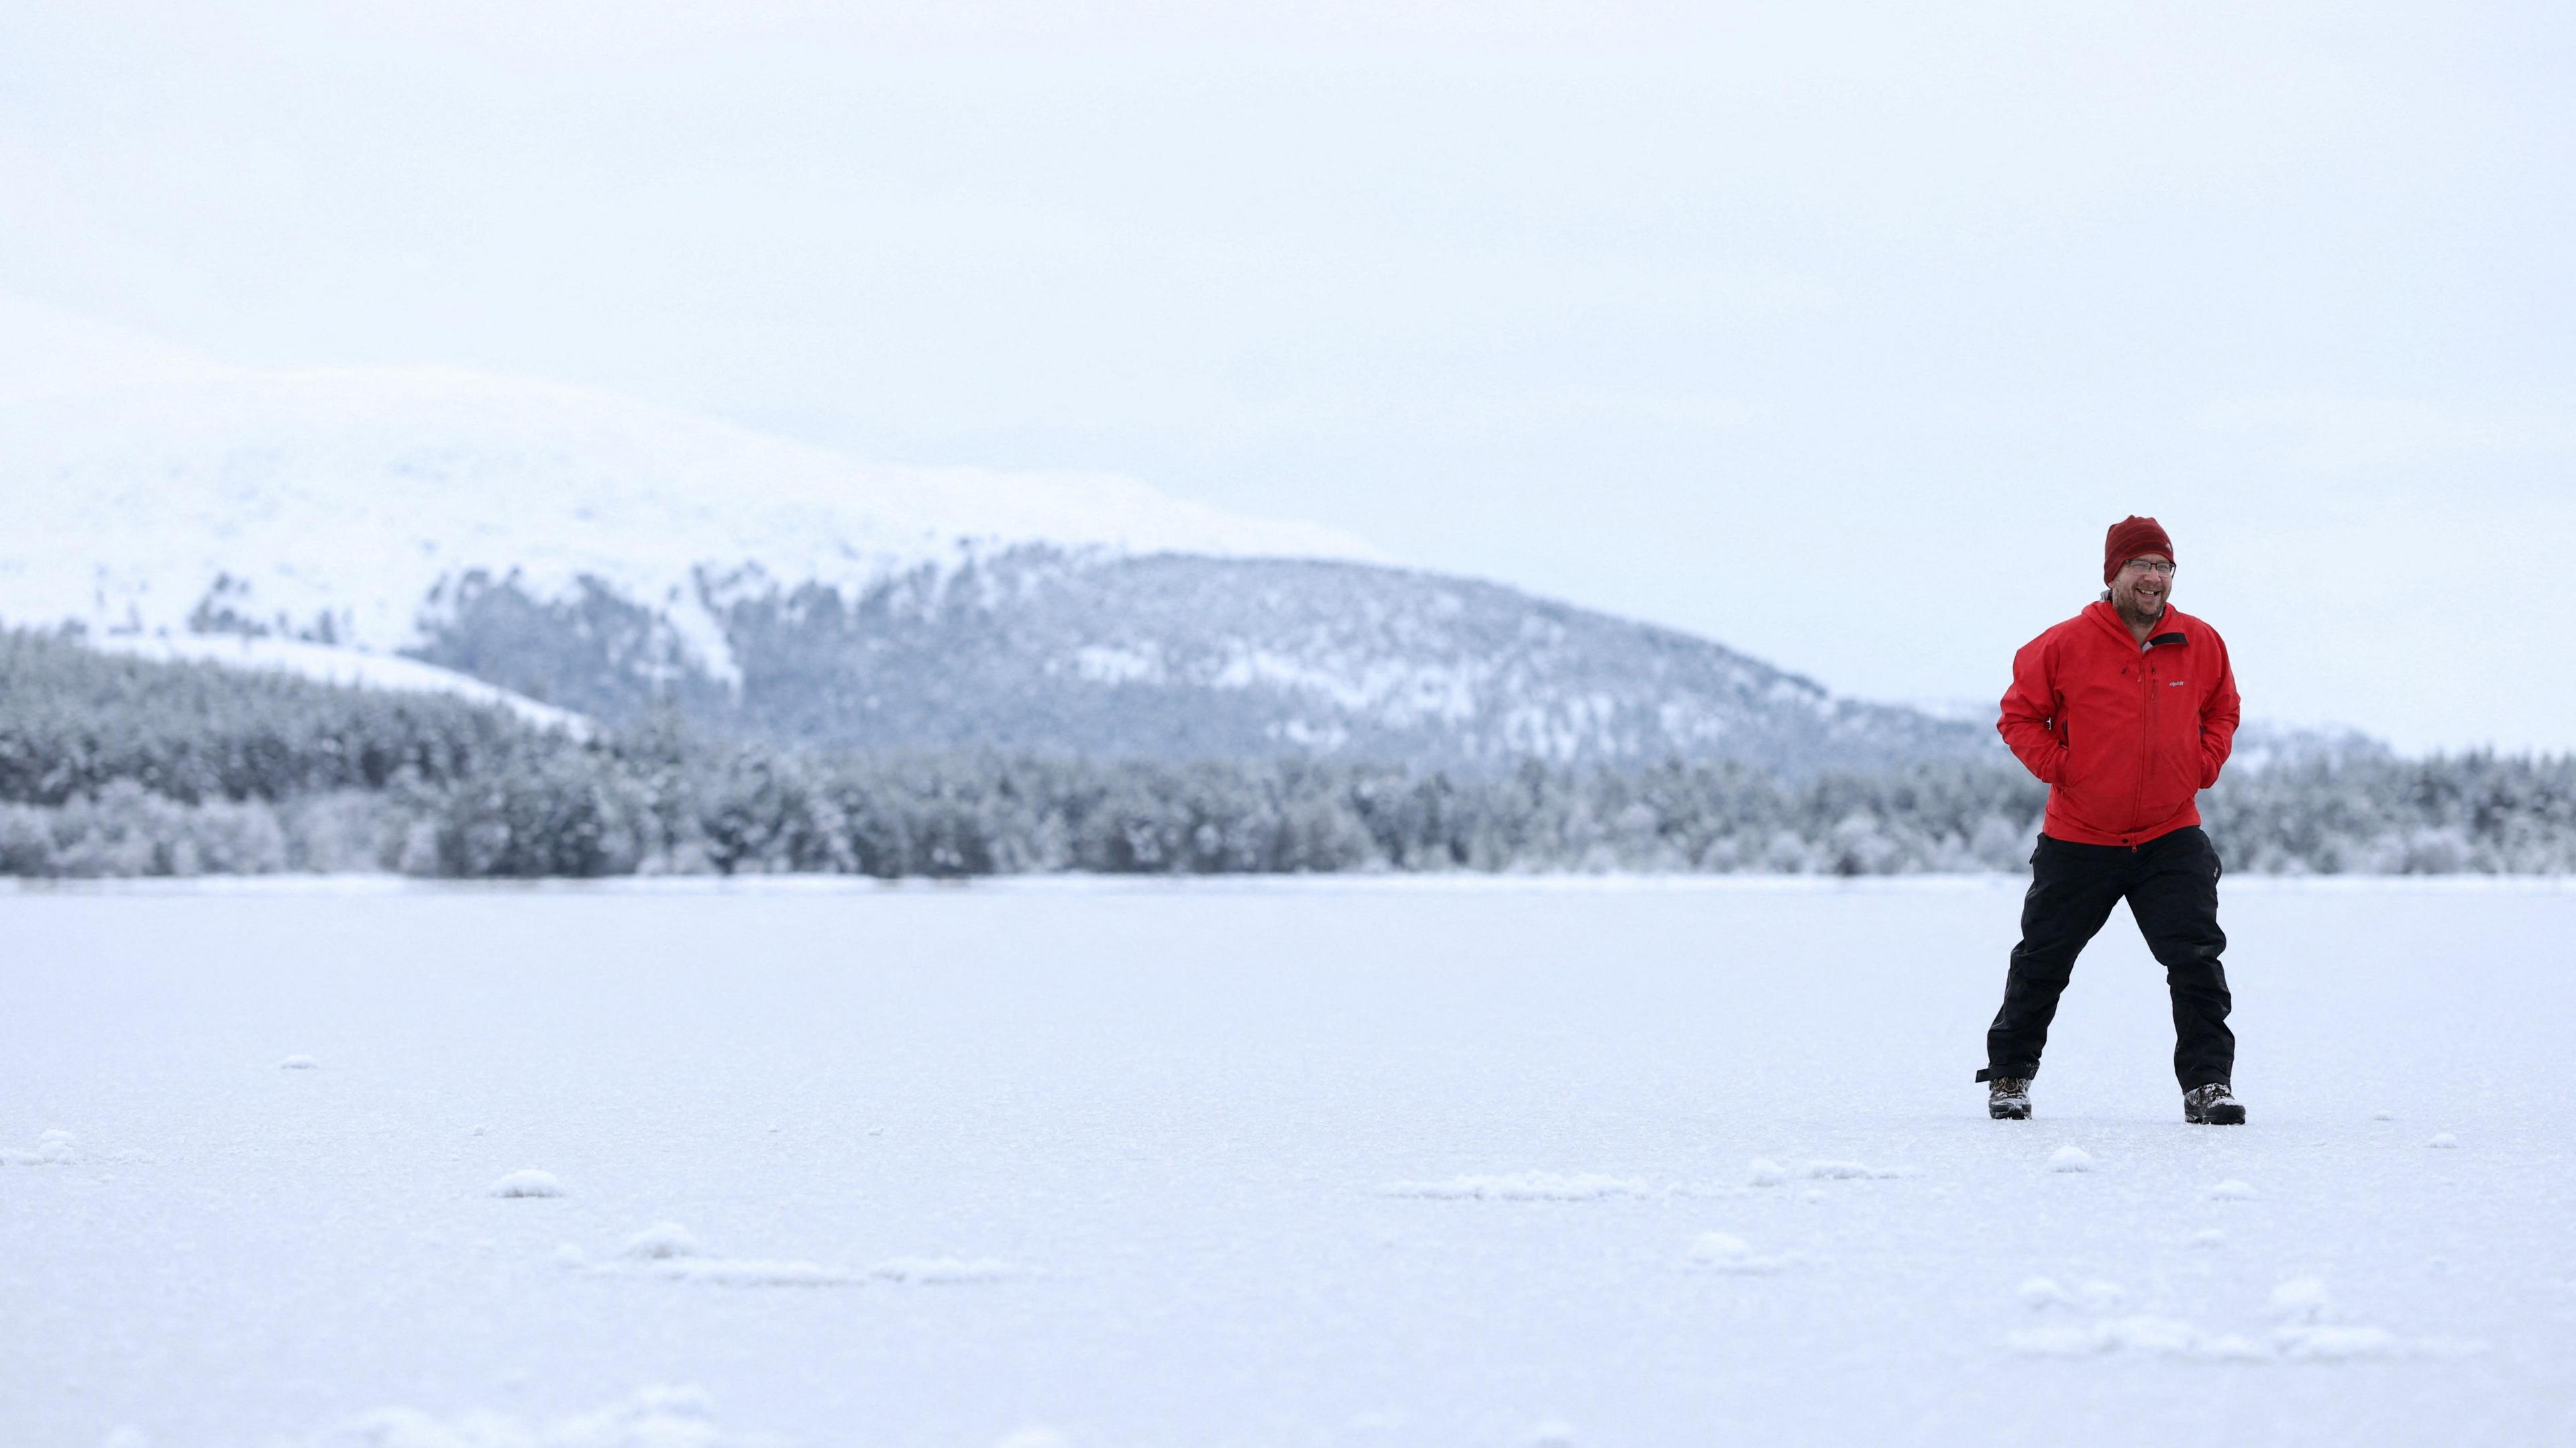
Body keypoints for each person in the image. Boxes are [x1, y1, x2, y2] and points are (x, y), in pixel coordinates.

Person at [1979, 516, 2245, 1124]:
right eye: (2140, 565)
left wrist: (2203, 764)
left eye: (2163, 566)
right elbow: (2019, 717)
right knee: (2043, 960)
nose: (2153, 577)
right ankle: (2010, 1076)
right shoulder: (2063, 644)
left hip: (2169, 832)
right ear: (2113, 574)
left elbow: (2222, 709)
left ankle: (2208, 1086)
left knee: (2196, 959)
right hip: (2081, 837)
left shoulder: (2201, 642)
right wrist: (2064, 768)